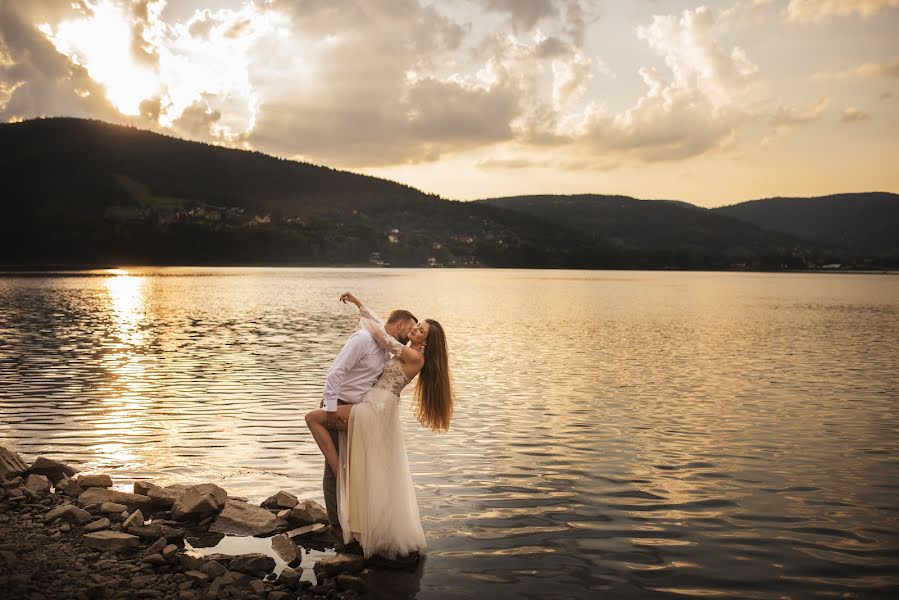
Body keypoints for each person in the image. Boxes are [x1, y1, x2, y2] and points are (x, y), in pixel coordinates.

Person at [305, 292, 454, 559]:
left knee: (313, 419)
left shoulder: (413, 356)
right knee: (370, 470)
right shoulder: (407, 351)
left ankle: (345, 502)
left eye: (419, 330)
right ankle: (359, 524)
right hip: (376, 406)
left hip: (375, 408)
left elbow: (381, 334)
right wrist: (360, 304)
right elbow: (381, 330)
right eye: (414, 326)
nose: (415, 330)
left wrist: (361, 308)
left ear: (426, 341)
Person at [312, 301, 417, 540]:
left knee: (353, 465)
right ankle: (336, 525)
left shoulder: (383, 344)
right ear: (400, 324)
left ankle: (354, 520)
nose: (408, 339)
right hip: (336, 406)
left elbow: (377, 322)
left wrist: (358, 303)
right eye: (408, 331)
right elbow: (335, 372)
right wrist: (329, 409)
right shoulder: (362, 340)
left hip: (358, 411)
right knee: (334, 468)